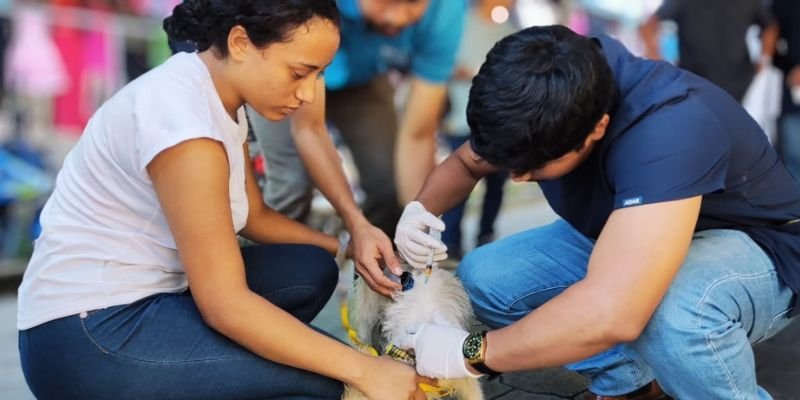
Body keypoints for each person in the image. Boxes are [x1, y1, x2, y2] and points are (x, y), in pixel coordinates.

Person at [16, 2, 435, 399]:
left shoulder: (216, 98)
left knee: (310, 269)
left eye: (318, 76)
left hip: (155, 299)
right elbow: (225, 304)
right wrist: (364, 370)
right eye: (298, 72)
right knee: (329, 382)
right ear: (239, 43)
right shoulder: (185, 126)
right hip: (87, 336)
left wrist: (348, 247)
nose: (308, 94)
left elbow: (254, 216)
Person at [394, 25, 800, 399]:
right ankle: (633, 385)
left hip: (758, 245)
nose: (517, 177)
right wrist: (418, 214)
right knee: (484, 279)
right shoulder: (544, 88)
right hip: (628, 228)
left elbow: (615, 313)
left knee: (675, 313)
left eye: (533, 167)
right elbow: (468, 162)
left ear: (598, 128)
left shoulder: (669, 128)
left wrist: (470, 353)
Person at [247, 0, 466, 253]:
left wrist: (418, 228)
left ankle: (387, 270)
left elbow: (419, 133)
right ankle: (262, 274)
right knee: (291, 183)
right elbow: (309, 129)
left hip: (364, 76)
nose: (398, 19)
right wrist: (355, 222)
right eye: (391, 3)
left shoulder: (445, 11)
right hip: (294, 66)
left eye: (413, 4)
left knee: (388, 182)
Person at [440, 0, 515, 259]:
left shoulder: (508, 30)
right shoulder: (458, 24)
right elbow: (437, 65)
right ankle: (451, 246)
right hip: (460, 118)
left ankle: (486, 237)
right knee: (457, 184)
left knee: (496, 186)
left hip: (499, 122)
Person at [639, 0, 778, 102]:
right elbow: (647, 26)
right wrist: (657, 58)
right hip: (695, 83)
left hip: (737, 82)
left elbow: (770, 26)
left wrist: (763, 60)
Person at [772, 0, 800, 181]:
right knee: (792, 159)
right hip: (792, 94)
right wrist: (790, 70)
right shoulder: (782, 4)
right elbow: (771, 38)